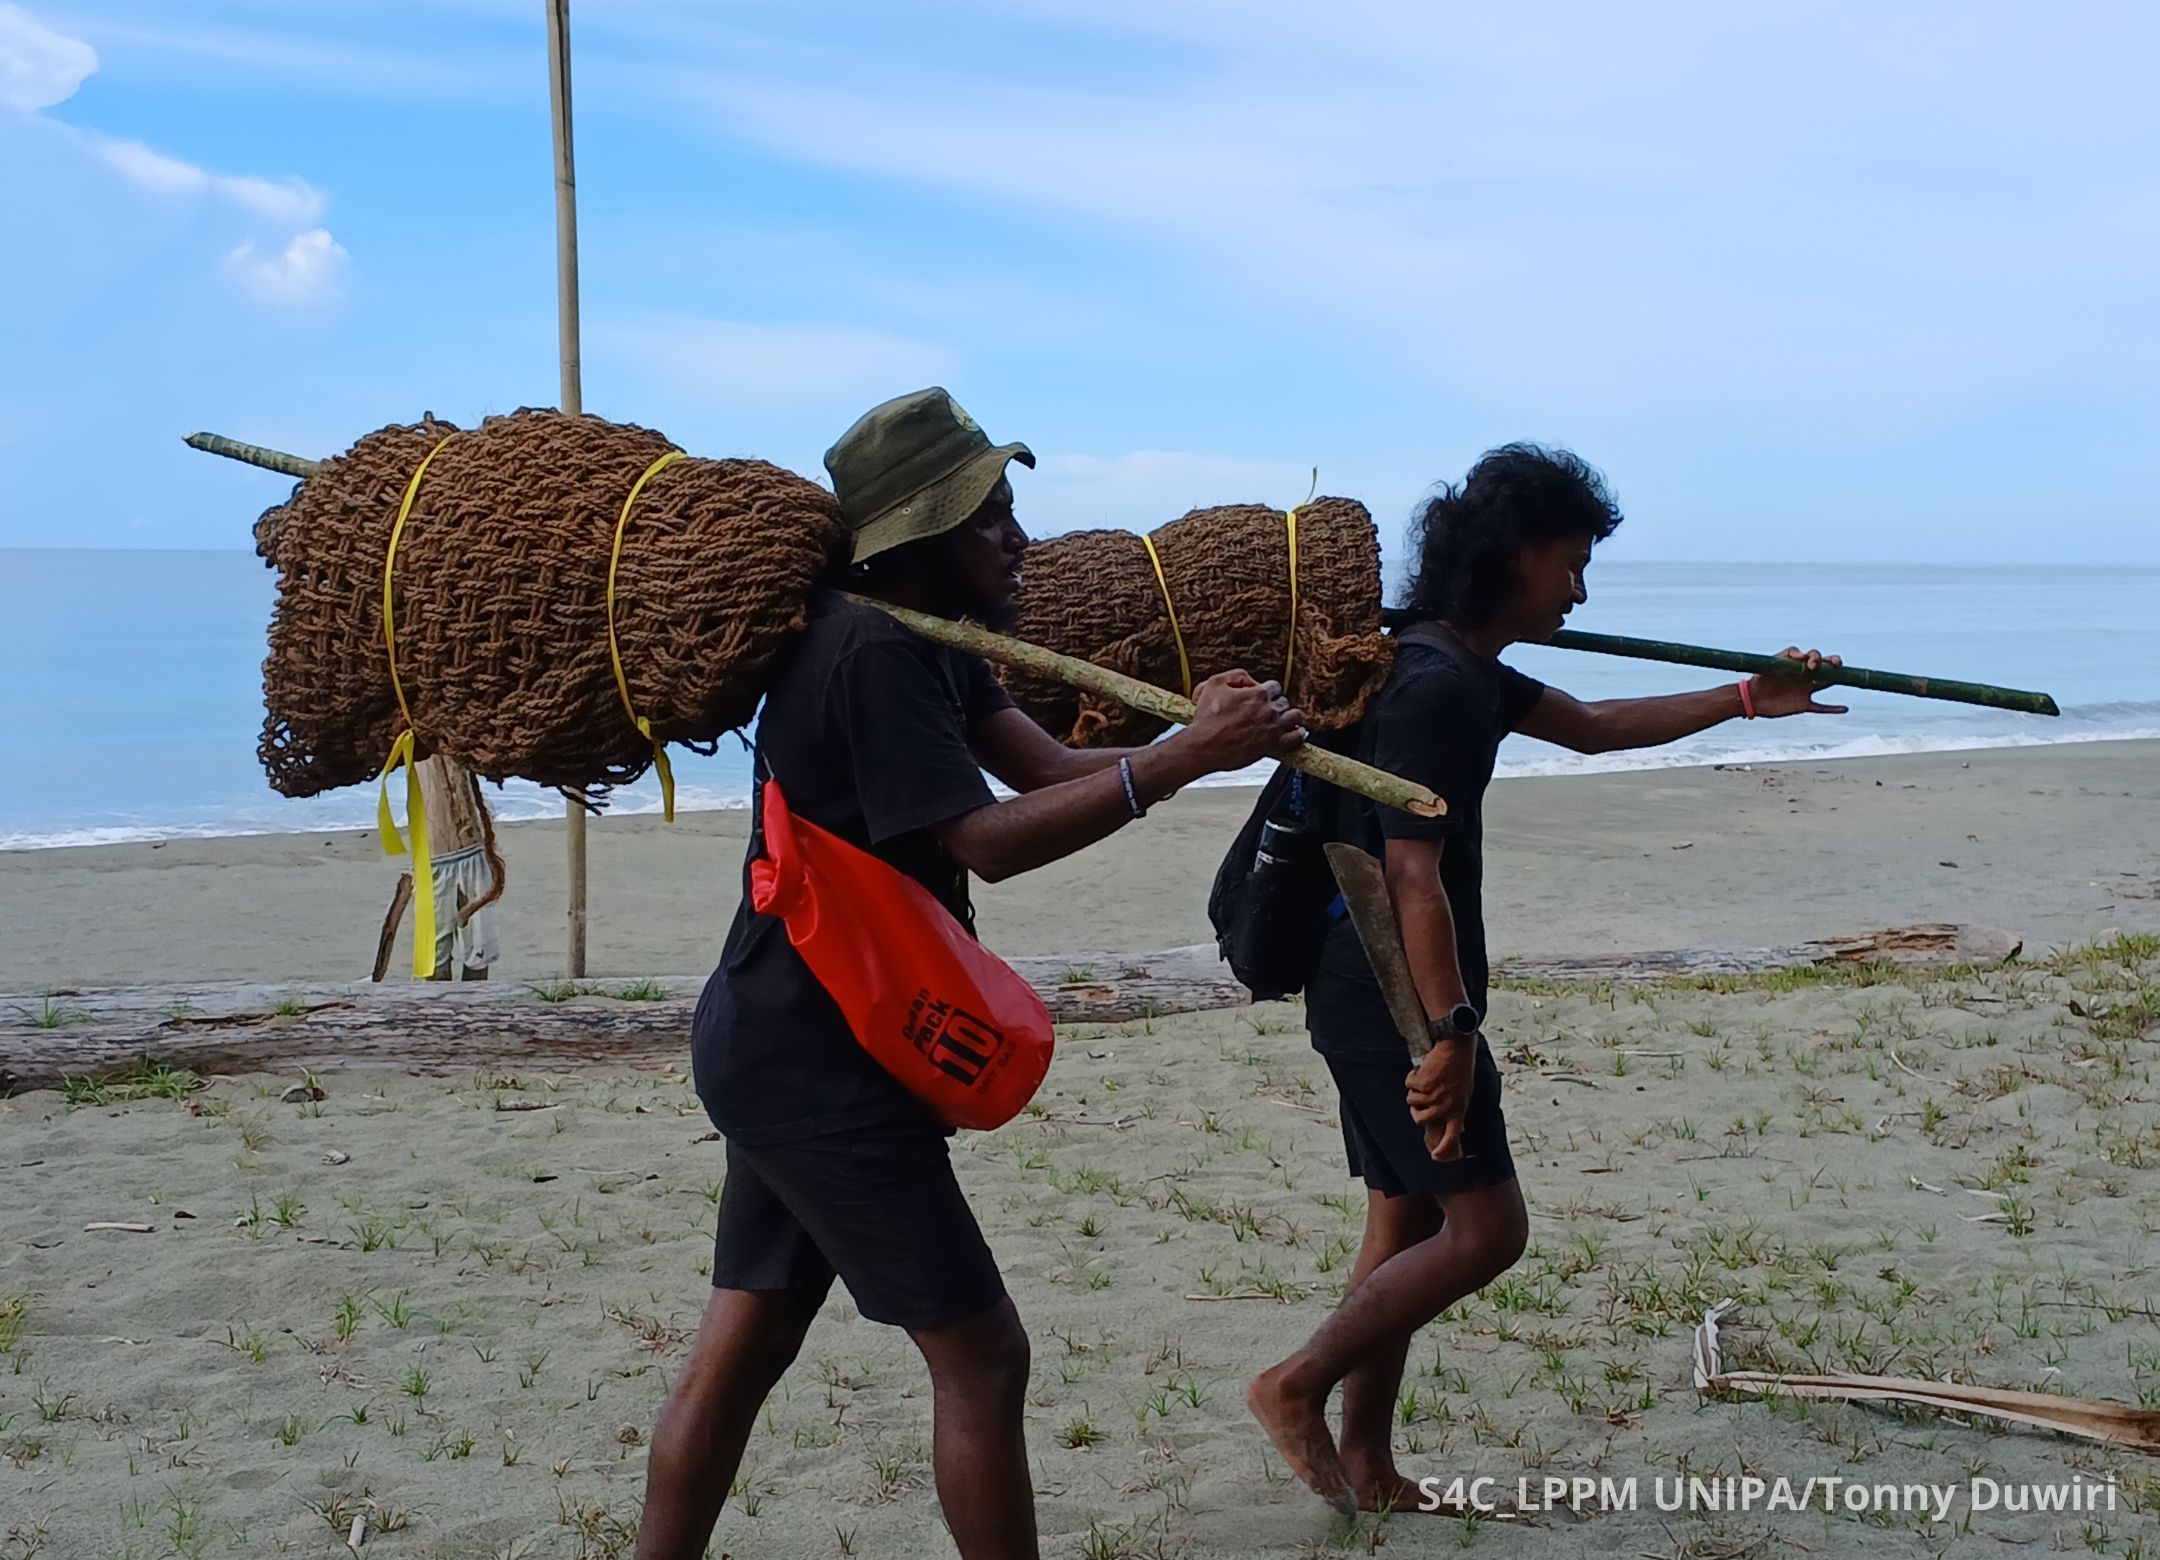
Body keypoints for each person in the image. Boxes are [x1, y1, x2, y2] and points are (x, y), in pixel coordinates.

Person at [635, 387, 1307, 1560]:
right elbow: (984, 841)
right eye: (990, 514)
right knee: (984, 1353)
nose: (1018, 536)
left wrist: (1202, 748)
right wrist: (1185, 761)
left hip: (791, 1031)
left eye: (1009, 508)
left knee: (747, 1344)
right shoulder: (871, 653)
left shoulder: (932, 644)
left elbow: (1044, 766)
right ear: (920, 537)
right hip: (818, 1058)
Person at [1247, 444, 1845, 1514]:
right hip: (1393, 985)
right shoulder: (1433, 684)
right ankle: (1293, 1384)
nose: (1579, 589)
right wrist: (1452, 1035)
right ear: (1516, 556)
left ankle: (1371, 1465)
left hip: (1370, 981)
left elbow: (1593, 729)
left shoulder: (1448, 663)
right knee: (1488, 1231)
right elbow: (1412, 873)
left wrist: (1753, 696)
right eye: (1570, 564)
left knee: (1405, 1226)